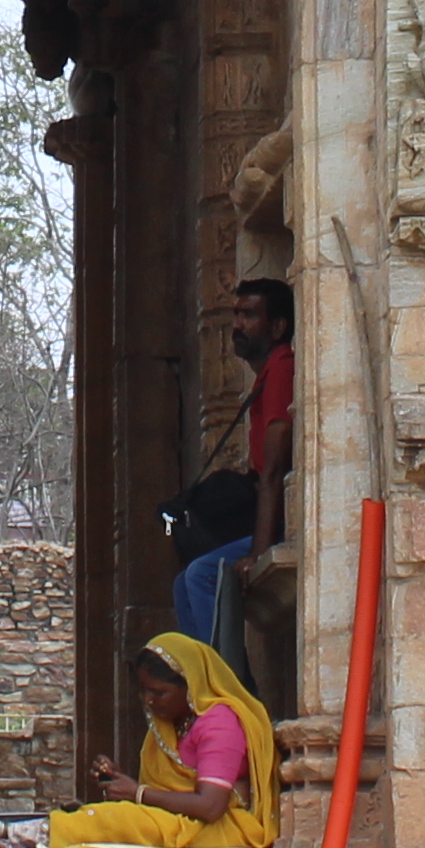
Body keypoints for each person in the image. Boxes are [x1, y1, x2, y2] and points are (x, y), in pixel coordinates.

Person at [0, 633, 286, 848]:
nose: (149, 702)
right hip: (182, 822)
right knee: (103, 829)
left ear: (191, 685)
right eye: (143, 692)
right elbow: (170, 792)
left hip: (222, 829)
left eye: (159, 693)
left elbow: (210, 806)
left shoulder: (220, 723)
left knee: (117, 820)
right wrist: (124, 784)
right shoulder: (173, 723)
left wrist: (136, 794)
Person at [168, 279, 294, 661]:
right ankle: (198, 680)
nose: (238, 325)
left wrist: (258, 551)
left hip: (282, 516)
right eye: (236, 315)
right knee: (182, 583)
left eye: (250, 315)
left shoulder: (283, 368)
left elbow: (272, 471)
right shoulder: (267, 373)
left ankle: (222, 684)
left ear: (278, 327)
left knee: (201, 576)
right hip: (261, 510)